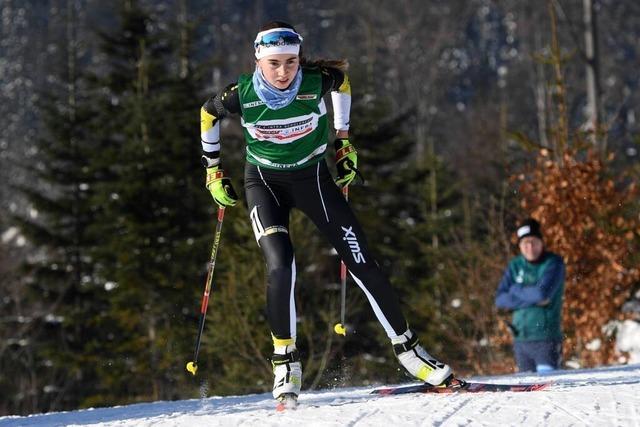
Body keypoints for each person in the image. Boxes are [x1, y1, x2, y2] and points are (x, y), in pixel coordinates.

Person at [198, 21, 453, 402]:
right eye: (274, 64)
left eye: (290, 62)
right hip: (264, 185)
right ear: (258, 60)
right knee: (281, 264)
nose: (283, 72)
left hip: (314, 179)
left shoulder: (318, 80)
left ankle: (409, 351)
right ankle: (285, 362)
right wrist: (213, 171)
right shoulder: (241, 94)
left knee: (362, 259)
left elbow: (344, 85)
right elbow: (207, 114)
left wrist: (343, 140)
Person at [495, 218, 565, 373]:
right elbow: (500, 299)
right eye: (525, 243)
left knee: (549, 389)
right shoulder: (515, 265)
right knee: (527, 391)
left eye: (534, 241)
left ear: (541, 242)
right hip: (520, 340)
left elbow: (541, 294)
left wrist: (514, 290)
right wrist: (530, 299)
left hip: (546, 339)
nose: (530, 247)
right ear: (520, 246)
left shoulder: (553, 263)